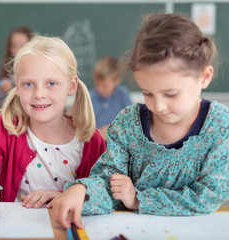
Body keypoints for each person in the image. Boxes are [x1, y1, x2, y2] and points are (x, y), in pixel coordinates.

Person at [50, 13, 229, 229]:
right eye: (147, 93)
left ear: (204, 77)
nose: (159, 106)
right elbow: (107, 182)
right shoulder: (128, 123)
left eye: (171, 94)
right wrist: (81, 191)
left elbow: (208, 197)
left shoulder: (220, 126)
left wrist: (138, 199)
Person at [0, 35, 106, 209]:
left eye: (51, 83)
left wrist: (65, 195)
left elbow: (105, 194)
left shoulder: (90, 141)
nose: (38, 94)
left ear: (71, 86)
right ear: (17, 87)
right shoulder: (5, 130)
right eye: (28, 84)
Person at [0, 26, 33, 109]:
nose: (17, 50)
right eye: (14, 46)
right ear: (9, 48)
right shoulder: (2, 70)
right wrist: (2, 91)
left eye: (22, 45)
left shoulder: (38, 69)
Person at [90, 56, 132, 139]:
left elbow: (130, 124)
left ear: (117, 81)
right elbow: (82, 127)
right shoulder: (90, 97)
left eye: (105, 86)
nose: (100, 89)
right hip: (97, 143)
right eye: (97, 83)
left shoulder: (123, 96)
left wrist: (114, 131)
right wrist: (98, 133)